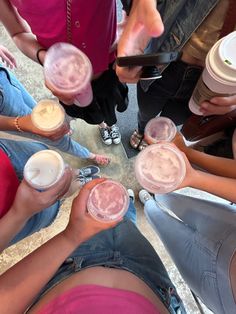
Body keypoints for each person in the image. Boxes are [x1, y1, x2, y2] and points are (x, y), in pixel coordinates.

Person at [0, 177, 186, 314]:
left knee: (118, 222)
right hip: (152, 284)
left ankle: (125, 208)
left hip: (71, 268)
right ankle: (126, 208)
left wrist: (70, 237)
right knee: (126, 225)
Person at [0, 0, 146, 146]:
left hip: (108, 66)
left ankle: (110, 124)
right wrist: (47, 58)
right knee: (89, 111)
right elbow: (18, 32)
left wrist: (129, 27)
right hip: (65, 79)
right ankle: (102, 125)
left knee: (110, 104)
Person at [116, 0, 236, 150]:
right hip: (166, 59)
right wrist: (138, 9)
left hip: (209, 80)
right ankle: (142, 131)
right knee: (146, 111)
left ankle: (154, 135)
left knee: (172, 120)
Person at [138, 144, 236, 313]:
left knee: (162, 224)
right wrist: (193, 175)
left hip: (223, 287)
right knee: (175, 199)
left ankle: (150, 204)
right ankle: (161, 194)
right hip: (231, 223)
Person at [0, 45, 110, 166]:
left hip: (3, 77)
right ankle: (89, 155)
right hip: (3, 107)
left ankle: (100, 126)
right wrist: (20, 123)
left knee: (39, 112)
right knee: (53, 134)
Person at [0, 137, 104, 248]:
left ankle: (77, 175)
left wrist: (18, 124)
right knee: (54, 199)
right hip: (8, 217)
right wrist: (19, 213)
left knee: (57, 168)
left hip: (5, 155)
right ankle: (78, 182)